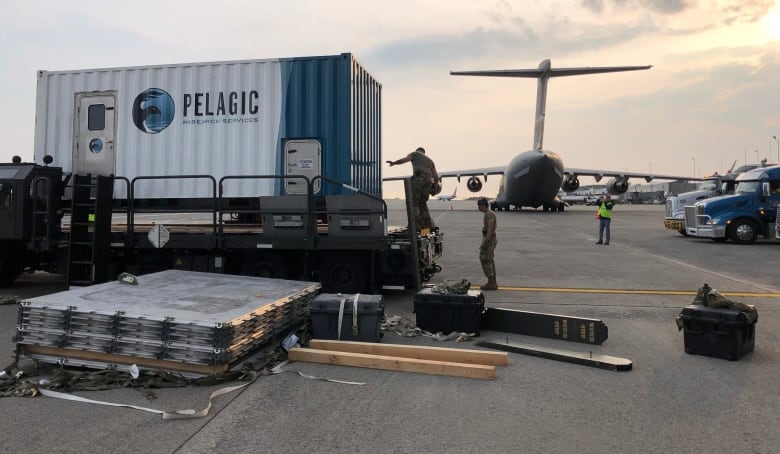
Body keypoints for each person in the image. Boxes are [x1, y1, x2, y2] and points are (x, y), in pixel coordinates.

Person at [386, 147, 439, 231]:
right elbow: (436, 177)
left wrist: (394, 163)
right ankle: (428, 225)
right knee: (422, 203)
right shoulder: (430, 161)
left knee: (413, 203)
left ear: (417, 151)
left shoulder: (415, 154)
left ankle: (415, 226)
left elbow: (403, 160)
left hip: (419, 179)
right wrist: (434, 186)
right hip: (428, 181)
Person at [477, 197, 498, 290]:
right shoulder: (488, 214)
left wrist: (486, 241)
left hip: (489, 240)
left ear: (483, 205)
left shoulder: (489, 215)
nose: (478, 207)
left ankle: (491, 282)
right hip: (490, 239)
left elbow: (490, 228)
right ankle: (493, 282)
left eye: (479, 205)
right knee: (489, 260)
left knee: (484, 259)